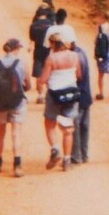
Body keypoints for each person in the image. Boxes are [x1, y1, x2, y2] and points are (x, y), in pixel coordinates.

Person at [40, 31, 81, 172]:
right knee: (68, 128)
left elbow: (44, 79)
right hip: (71, 93)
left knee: (50, 123)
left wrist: (40, 83)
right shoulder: (74, 56)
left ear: (52, 44)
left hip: (54, 94)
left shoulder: (51, 58)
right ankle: (67, 159)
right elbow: (79, 74)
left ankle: (55, 149)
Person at [0, 38, 31, 178]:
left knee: (0, 134)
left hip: (0, 102)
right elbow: (28, 85)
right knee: (16, 133)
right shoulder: (22, 64)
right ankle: (17, 164)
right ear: (16, 48)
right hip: (17, 102)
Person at [70, 34, 93, 166]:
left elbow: (77, 77)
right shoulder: (82, 52)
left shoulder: (74, 56)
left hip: (78, 95)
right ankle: (84, 154)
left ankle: (76, 155)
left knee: (75, 125)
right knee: (84, 125)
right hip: (86, 94)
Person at [28, 7, 54, 104]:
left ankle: (40, 95)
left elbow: (32, 39)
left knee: (38, 73)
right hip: (49, 50)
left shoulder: (33, 25)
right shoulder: (51, 24)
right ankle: (50, 94)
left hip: (38, 50)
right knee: (49, 71)